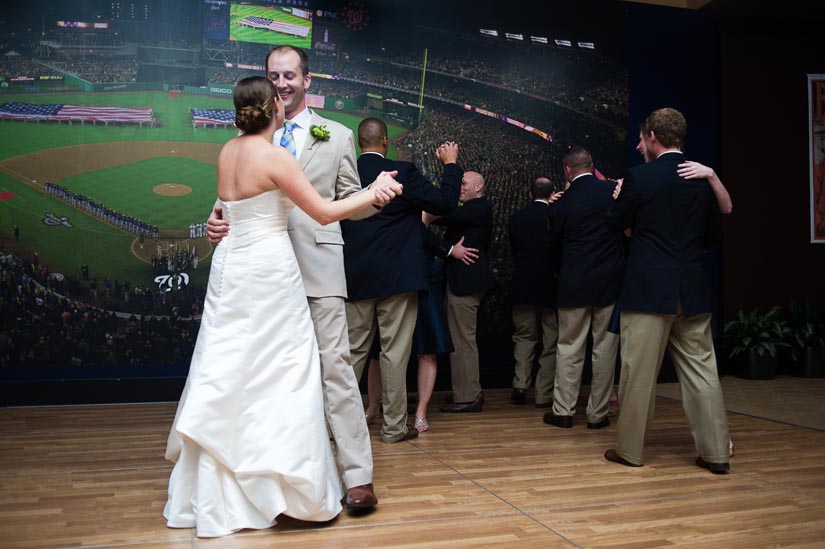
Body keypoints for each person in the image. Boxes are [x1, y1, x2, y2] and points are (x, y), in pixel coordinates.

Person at [164, 76, 401, 538]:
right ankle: (280, 484)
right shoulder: (275, 157)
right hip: (270, 272)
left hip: (231, 271)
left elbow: (226, 209)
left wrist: (215, 222)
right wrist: (375, 192)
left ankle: (222, 481)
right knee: (285, 372)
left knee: (231, 369)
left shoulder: (228, 150)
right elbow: (324, 212)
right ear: (275, 107)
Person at [206, 46, 387, 510]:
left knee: (336, 372)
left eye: (289, 75)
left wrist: (376, 199)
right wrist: (217, 219)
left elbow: (350, 202)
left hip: (319, 270)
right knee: (269, 375)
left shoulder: (338, 135)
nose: (282, 83)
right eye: (274, 75)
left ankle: (357, 477)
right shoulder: (248, 139)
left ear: (307, 80)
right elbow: (233, 200)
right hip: (265, 277)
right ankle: (275, 475)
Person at [604, 107, 730, 474]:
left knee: (638, 375)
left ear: (653, 137)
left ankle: (630, 451)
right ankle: (717, 453)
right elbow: (713, 237)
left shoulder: (638, 178)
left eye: (642, 138)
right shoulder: (701, 181)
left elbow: (616, 224)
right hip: (692, 290)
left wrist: (620, 206)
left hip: (648, 293)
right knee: (703, 373)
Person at [342, 117, 462, 444]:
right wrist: (450, 165)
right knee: (395, 354)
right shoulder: (402, 172)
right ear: (385, 142)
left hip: (355, 279)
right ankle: (394, 428)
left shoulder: (346, 173)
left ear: (358, 142)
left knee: (352, 355)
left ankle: (340, 430)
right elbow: (446, 203)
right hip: (398, 279)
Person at [542, 146, 625, 430]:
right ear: (592, 165)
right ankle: (598, 414)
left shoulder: (561, 204)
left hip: (574, 284)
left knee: (569, 348)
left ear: (567, 170)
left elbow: (552, 247)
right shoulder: (612, 192)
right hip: (609, 283)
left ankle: (563, 411)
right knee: (605, 350)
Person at [428, 171, 495, 413]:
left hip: (466, 284)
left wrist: (424, 210)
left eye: (464, 183)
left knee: (463, 341)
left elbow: (448, 216)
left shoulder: (479, 207)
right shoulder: (474, 208)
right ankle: (465, 391)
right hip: (461, 282)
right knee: (460, 339)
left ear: (479, 187)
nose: (460, 188)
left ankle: (468, 397)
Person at [507, 177, 561, 408]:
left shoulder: (517, 218)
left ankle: (520, 384)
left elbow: (516, 250)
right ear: (552, 194)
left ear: (530, 194)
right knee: (551, 342)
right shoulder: (555, 216)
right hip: (550, 285)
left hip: (523, 285)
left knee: (524, 337)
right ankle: (543, 393)